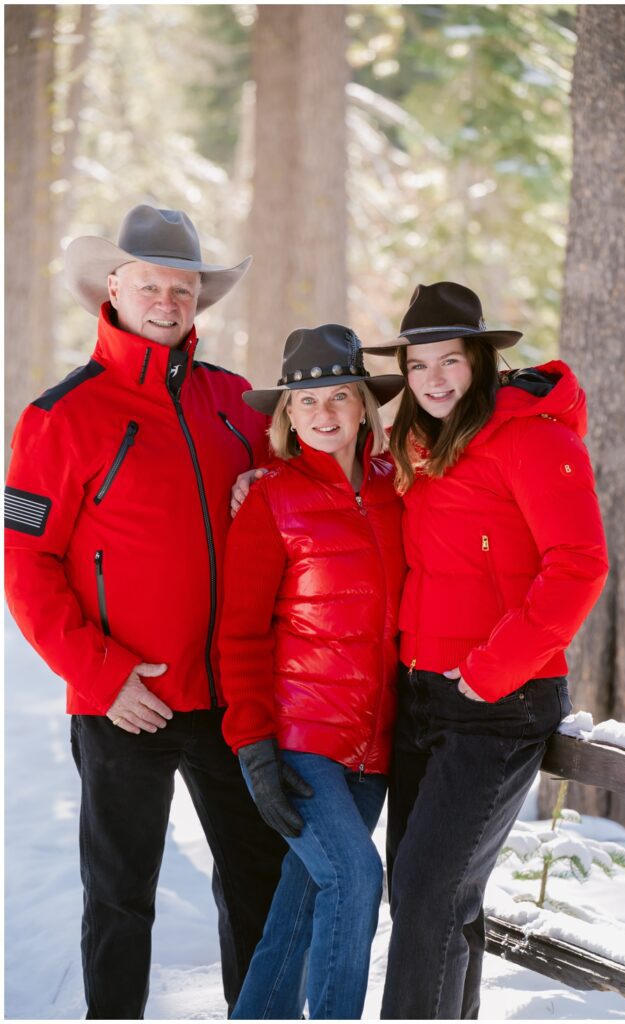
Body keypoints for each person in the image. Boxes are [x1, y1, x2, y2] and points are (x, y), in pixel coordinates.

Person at [4, 204, 287, 1020]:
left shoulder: (239, 404)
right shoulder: (60, 417)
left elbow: (303, 495)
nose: (168, 299)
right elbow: (26, 561)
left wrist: (265, 486)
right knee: (121, 899)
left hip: (232, 697)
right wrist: (102, 676)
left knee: (256, 884)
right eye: (153, 283)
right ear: (115, 288)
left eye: (184, 286)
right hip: (125, 703)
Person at [361, 282, 609, 1020]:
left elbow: (578, 564)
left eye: (449, 361)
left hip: (497, 699)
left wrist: (488, 672)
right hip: (421, 697)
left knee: (428, 888)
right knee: (434, 892)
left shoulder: (533, 438)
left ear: (481, 361)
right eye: (417, 366)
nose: (434, 378)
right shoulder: (416, 445)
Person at [219, 324, 406, 1020]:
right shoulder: (269, 498)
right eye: (304, 402)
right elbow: (236, 634)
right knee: (355, 878)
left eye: (337, 397)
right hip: (299, 743)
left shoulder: (399, 485)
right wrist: (253, 744)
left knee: (299, 907)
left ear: (364, 406)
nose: (322, 414)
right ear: (285, 416)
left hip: (375, 745)